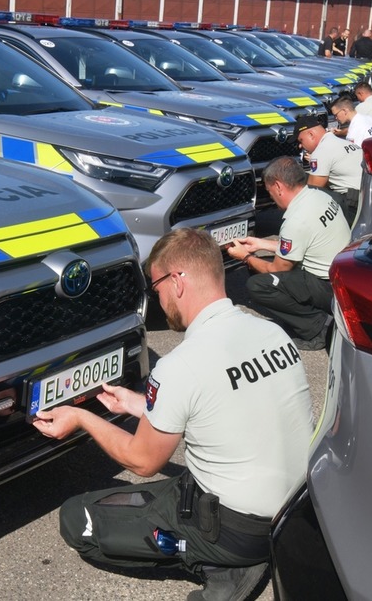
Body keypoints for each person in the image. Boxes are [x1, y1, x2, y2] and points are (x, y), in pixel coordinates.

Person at [33, 228, 314, 601]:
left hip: (231, 528)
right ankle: (243, 552)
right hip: (295, 512)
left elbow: (142, 461)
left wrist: (81, 418)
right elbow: (222, 398)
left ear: (177, 281)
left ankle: (222, 565)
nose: (159, 299)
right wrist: (137, 404)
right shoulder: (271, 333)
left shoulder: (182, 365)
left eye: (157, 288)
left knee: (76, 518)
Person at [226, 156, 351, 350]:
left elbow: (277, 269)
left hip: (327, 287)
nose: (272, 198)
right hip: (341, 276)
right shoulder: (318, 196)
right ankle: (306, 315)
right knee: (263, 266)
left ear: (278, 186)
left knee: (258, 284)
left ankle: (317, 328)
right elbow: (304, 243)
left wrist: (245, 257)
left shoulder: (296, 219)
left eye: (269, 191)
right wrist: (260, 243)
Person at [293, 114, 364, 224]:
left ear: (311, 134)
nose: (300, 146)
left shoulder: (321, 151)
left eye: (301, 140)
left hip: (352, 204)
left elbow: (313, 192)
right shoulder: (344, 142)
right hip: (368, 195)